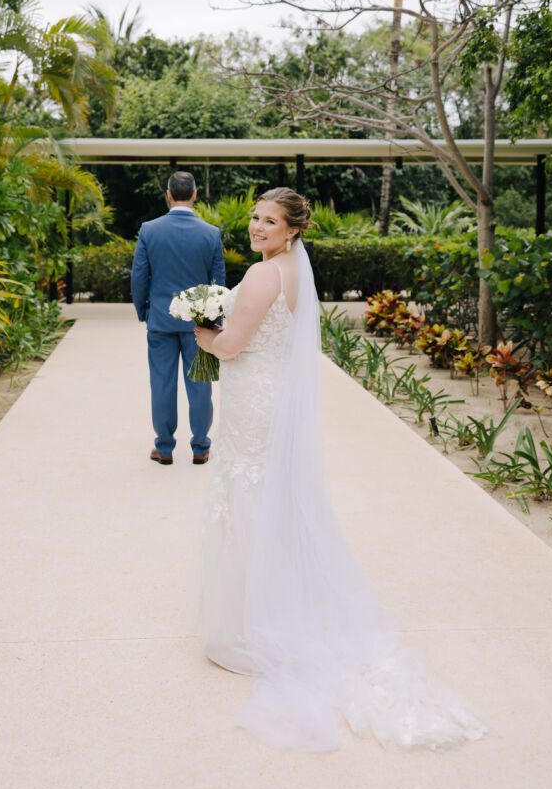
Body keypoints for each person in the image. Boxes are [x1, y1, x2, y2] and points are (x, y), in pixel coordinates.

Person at [193, 187, 488, 752]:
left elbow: (231, 346)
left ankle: (249, 628)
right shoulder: (296, 274)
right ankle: (281, 605)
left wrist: (202, 332)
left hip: (254, 397)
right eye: (255, 217)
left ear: (293, 230)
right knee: (269, 498)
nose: (256, 227)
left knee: (247, 495)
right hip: (274, 392)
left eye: (269, 221)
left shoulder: (261, 278)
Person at [131, 171, 225, 466]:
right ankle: (200, 447)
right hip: (200, 321)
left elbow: (139, 276)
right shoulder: (211, 233)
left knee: (162, 384)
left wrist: (143, 310)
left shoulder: (149, 230)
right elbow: (218, 280)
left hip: (160, 319)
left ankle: (165, 447)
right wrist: (214, 318)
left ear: (168, 195)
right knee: (201, 383)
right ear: (195, 195)